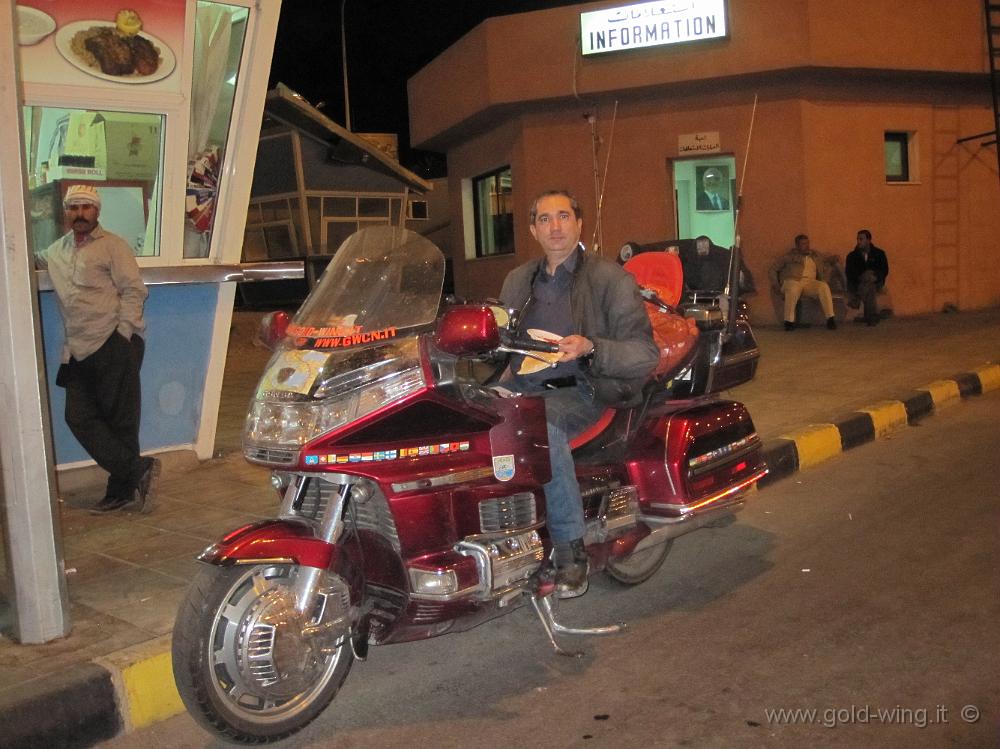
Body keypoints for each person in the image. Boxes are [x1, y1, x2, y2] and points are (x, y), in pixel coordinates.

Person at [499, 190, 658, 596]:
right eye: (545, 219)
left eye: (564, 216)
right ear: (533, 229)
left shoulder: (610, 279)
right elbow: (499, 343)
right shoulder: (518, 281)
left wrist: (591, 347)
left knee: (541, 429)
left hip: (583, 388)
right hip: (521, 385)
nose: (556, 226)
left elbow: (645, 354)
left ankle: (572, 554)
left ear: (579, 224)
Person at [35, 184, 159, 514]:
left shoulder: (113, 247)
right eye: (73, 207)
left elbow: (135, 291)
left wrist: (122, 334)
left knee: (121, 422)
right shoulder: (55, 252)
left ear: (97, 211)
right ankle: (136, 472)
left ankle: (120, 492)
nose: (79, 214)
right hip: (77, 349)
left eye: (86, 208)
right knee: (77, 417)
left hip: (114, 343)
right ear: (66, 212)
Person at [768, 234, 840, 331]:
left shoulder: (815, 255)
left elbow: (825, 260)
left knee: (823, 286)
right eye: (803, 244)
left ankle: (830, 319)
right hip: (792, 280)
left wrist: (832, 259)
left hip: (809, 282)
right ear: (797, 246)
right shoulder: (789, 256)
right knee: (793, 288)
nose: (807, 246)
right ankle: (789, 322)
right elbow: (773, 269)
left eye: (807, 243)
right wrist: (775, 283)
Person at [845, 229, 889, 326]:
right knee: (869, 285)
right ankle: (871, 317)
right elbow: (850, 273)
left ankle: (857, 299)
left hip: (876, 282)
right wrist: (863, 277)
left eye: (861, 239)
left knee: (870, 279)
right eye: (858, 239)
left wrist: (875, 277)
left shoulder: (879, 254)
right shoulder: (852, 256)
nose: (858, 241)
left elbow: (884, 270)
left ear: (868, 240)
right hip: (857, 284)